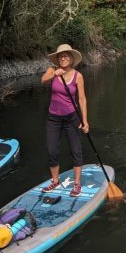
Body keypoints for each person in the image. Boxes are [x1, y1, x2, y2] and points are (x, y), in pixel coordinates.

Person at [41, 43, 89, 197]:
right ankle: (55, 181)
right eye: (60, 56)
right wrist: (54, 74)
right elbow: (43, 80)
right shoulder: (52, 71)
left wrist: (85, 121)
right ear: (57, 59)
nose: (63, 58)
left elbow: (82, 99)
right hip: (53, 118)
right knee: (52, 150)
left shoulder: (78, 76)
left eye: (66, 56)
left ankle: (77, 184)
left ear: (71, 59)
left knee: (76, 150)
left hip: (71, 118)